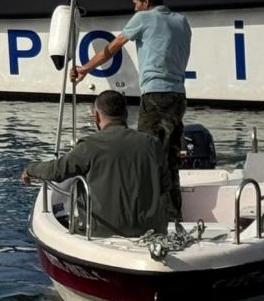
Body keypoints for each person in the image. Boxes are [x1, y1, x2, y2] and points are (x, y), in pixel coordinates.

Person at [70, 0, 192, 220]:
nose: (134, 9)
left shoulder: (144, 18)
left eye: (136, 4)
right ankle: (173, 213)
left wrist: (84, 68)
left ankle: (147, 215)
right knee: (170, 158)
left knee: (146, 155)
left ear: (146, 2)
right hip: (178, 96)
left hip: (155, 96)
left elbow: (112, 48)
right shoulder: (182, 22)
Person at [21, 90, 170, 237]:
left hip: (102, 230)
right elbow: (165, 185)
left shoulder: (90, 145)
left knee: (63, 220)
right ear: (125, 114)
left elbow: (56, 171)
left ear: (96, 116)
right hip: (150, 230)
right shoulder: (152, 143)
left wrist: (30, 169)